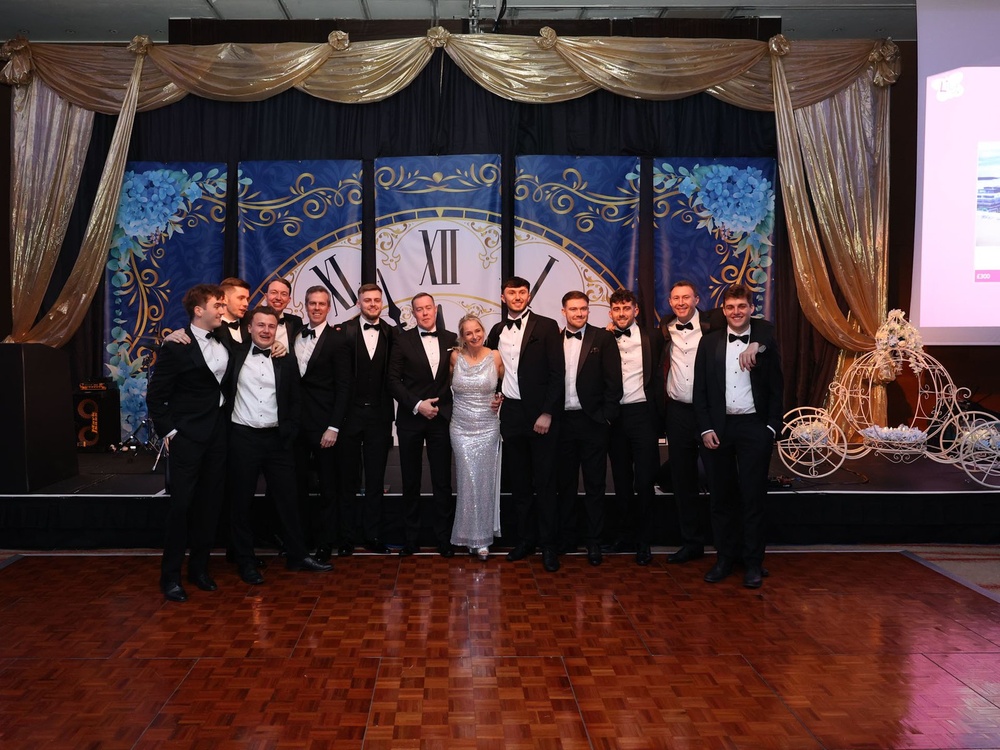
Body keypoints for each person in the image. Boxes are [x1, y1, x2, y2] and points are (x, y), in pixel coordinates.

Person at [227, 305, 332, 584]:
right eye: (260, 325)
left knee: (289, 500)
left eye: (271, 326)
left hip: (277, 440)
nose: (265, 330)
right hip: (243, 438)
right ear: (249, 328)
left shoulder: (285, 359)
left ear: (277, 330)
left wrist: (290, 431)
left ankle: (298, 555)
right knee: (241, 502)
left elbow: (296, 398)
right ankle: (246, 561)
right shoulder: (233, 354)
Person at [693, 284, 782, 589]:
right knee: (720, 497)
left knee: (753, 497)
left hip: (754, 428)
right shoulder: (709, 343)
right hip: (718, 429)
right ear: (723, 310)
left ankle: (754, 563)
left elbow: (777, 388)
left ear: (751, 309)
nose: (735, 312)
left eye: (741, 306)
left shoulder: (764, 340)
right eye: (730, 307)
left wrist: (770, 427)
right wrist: (705, 428)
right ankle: (724, 559)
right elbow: (700, 390)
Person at [146, 283, 232, 602]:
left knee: (209, 506)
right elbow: (155, 396)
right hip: (187, 439)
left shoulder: (224, 336)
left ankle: (199, 570)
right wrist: (170, 433)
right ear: (199, 310)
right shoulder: (177, 346)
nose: (223, 310)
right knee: (181, 507)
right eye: (218, 306)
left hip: (218, 436)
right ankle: (170, 577)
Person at [485, 276, 564, 573]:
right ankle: (525, 540)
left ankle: (549, 546)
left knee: (544, 483)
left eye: (522, 292)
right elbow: (490, 370)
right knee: (518, 483)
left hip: (540, 415)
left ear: (529, 295)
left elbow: (558, 374)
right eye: (512, 293)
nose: (517, 297)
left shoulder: (546, 326)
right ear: (503, 296)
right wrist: (495, 397)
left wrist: (547, 413)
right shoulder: (496, 330)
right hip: (511, 415)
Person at [659, 280, 726, 565]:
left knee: (718, 479)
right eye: (676, 298)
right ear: (670, 302)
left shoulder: (716, 324)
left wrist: (757, 345)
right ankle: (691, 543)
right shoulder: (664, 328)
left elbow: (756, 327)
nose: (681, 302)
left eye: (686, 297)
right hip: (677, 413)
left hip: (709, 412)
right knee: (683, 480)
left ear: (697, 299)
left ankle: (726, 548)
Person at [387, 292, 458, 557]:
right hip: (411, 419)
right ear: (413, 313)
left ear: (436, 309)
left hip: (441, 419)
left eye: (429, 308)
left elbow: (460, 378)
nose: (425, 313)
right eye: (419, 309)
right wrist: (418, 405)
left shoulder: (452, 339)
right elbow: (393, 380)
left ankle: (444, 539)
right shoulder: (402, 340)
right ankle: (411, 539)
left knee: (442, 482)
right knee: (411, 480)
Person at [554, 290, 622, 567]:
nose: (579, 313)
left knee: (595, 485)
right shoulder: (553, 339)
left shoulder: (603, 338)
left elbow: (613, 382)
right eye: (573, 309)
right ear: (564, 311)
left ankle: (594, 541)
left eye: (583, 309)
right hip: (562, 423)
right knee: (565, 484)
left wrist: (605, 417)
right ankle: (567, 538)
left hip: (593, 422)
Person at [332, 283, 395, 556]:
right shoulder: (343, 332)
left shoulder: (392, 334)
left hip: (380, 418)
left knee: (375, 481)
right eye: (367, 300)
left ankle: (373, 536)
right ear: (358, 303)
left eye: (376, 300)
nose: (372, 304)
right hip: (349, 417)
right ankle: (346, 539)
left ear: (381, 303)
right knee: (346, 480)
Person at [606, 288, 664, 565]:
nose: (621, 314)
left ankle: (645, 541)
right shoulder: (603, 338)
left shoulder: (654, 336)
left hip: (644, 415)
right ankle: (624, 534)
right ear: (610, 312)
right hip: (615, 417)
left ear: (636, 310)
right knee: (621, 481)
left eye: (626, 308)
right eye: (617, 309)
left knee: (644, 481)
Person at [293, 286, 351, 563]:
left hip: (324, 427)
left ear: (329, 308)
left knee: (329, 488)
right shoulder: (293, 334)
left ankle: (327, 542)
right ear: (305, 305)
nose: (316, 308)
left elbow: (344, 388)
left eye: (321, 304)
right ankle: (300, 541)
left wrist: (334, 427)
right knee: (298, 487)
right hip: (295, 427)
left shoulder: (338, 341)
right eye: (312, 303)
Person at [449, 315, 504, 559]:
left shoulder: (495, 356)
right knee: (467, 480)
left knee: (484, 481)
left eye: (478, 330)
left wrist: (500, 399)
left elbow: (505, 386)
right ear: (462, 336)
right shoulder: (454, 357)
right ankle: (466, 534)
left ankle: (482, 539)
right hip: (460, 427)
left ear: (483, 331)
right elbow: (444, 386)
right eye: (468, 333)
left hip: (487, 425)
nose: (474, 336)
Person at [264, 277, 303, 350]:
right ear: (266, 296)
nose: (278, 298)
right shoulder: (250, 318)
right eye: (274, 292)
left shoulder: (296, 322)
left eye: (284, 294)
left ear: (289, 300)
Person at [217, 277, 251, 346]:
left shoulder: (252, 321)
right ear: (224, 299)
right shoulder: (210, 325)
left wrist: (276, 343)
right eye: (241, 298)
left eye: (247, 299)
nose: (246, 304)